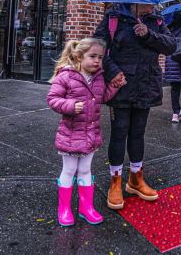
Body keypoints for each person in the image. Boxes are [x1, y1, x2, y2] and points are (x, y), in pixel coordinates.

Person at [93, 3, 177, 211]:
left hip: (146, 86)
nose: (154, 5)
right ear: (136, 1)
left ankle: (135, 179)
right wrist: (112, 71)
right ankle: (115, 182)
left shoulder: (156, 21)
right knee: (119, 132)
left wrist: (148, 34)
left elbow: (171, 46)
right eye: (150, 2)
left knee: (138, 133)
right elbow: (96, 48)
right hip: (121, 85)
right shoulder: (114, 18)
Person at [46, 38, 123, 227]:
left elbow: (101, 97)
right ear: (79, 56)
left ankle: (85, 208)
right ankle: (63, 209)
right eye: (92, 56)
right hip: (71, 134)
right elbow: (52, 98)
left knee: (86, 170)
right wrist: (70, 105)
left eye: (100, 57)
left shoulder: (99, 77)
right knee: (70, 170)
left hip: (90, 134)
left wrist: (114, 86)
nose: (97, 61)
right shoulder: (66, 76)